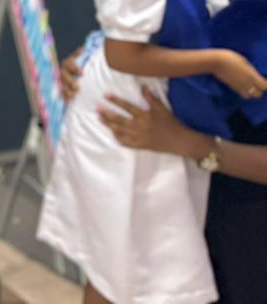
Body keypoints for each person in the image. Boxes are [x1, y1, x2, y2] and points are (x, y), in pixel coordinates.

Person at [35, 0, 267, 304]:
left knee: (147, 262)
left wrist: (195, 136)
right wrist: (96, 53)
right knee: (122, 259)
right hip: (132, 123)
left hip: (177, 131)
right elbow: (126, 47)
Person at [62, 40, 267, 303]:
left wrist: (194, 145)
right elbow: (141, 39)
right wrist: (94, 62)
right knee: (118, 276)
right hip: (168, 173)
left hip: (244, 218)